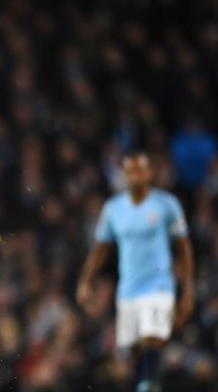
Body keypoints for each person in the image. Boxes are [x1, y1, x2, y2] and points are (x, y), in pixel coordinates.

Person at [77, 152, 195, 392]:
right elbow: (101, 249)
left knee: (154, 336)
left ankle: (148, 384)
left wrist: (188, 290)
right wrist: (85, 281)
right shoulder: (113, 209)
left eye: (140, 170)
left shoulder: (166, 204)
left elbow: (183, 246)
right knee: (135, 349)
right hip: (128, 288)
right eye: (130, 171)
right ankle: (148, 381)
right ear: (125, 175)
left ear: (149, 173)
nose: (135, 175)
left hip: (159, 284)